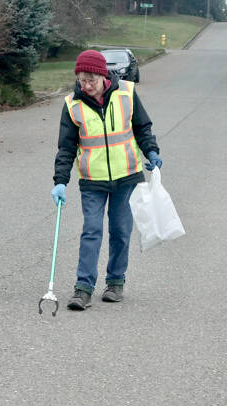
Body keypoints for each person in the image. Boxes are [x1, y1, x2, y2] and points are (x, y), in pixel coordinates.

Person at [52, 49, 162, 310]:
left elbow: (142, 128)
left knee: (120, 232)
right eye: (81, 80)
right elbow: (66, 147)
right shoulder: (73, 105)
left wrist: (152, 151)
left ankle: (115, 282)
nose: (85, 85)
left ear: (103, 77)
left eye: (90, 80)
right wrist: (60, 180)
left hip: (127, 177)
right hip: (92, 180)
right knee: (91, 231)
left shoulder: (126, 93)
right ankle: (83, 288)